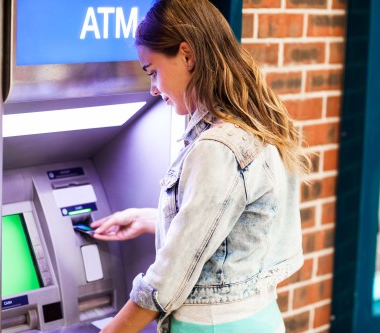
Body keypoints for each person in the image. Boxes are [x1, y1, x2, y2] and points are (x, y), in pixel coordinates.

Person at [90, 0, 311, 332]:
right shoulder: (260, 124)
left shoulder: (217, 147)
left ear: (187, 55)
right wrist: (148, 219)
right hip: (257, 319)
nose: (153, 88)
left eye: (152, 71)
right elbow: (233, 227)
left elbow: (168, 279)